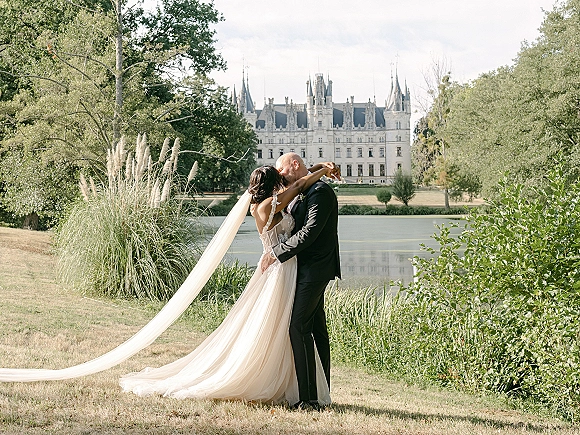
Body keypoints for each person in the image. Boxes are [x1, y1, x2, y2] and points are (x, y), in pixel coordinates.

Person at [118, 162, 337, 405]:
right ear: (271, 184)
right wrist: (323, 171)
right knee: (282, 324)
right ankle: (296, 389)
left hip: (288, 269)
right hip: (279, 269)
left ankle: (298, 385)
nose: (282, 182)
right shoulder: (267, 206)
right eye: (278, 179)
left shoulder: (267, 203)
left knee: (286, 325)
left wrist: (317, 167)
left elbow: (296, 182)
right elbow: (297, 184)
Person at [260, 152, 341, 411]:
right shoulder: (304, 188)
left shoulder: (320, 192)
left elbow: (310, 232)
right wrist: (322, 166)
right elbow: (297, 185)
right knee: (316, 328)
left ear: (294, 165)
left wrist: (276, 253)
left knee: (298, 326)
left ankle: (309, 399)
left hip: (315, 268)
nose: (280, 177)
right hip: (302, 268)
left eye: (282, 171)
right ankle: (321, 392)